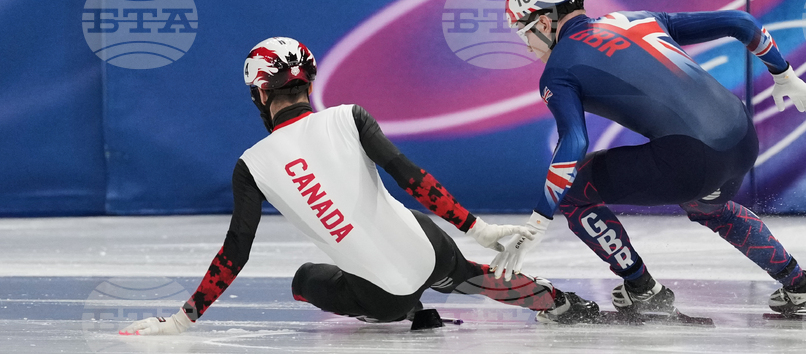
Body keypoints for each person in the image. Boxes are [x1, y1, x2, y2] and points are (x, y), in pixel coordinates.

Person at [120, 37, 600, 336]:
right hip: (432, 246)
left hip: (384, 296)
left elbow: (235, 253)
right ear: (308, 81)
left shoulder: (252, 164)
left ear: (260, 94)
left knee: (305, 279)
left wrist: (183, 319)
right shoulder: (349, 115)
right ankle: (555, 301)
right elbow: (412, 178)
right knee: (451, 263)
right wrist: (478, 228)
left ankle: (405, 310)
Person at [493, 0, 806, 320]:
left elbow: (573, 141)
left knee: (573, 189)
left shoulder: (558, 71)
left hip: (691, 159)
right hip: (742, 139)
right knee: (708, 205)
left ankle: (644, 291)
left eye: (525, 32)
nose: (528, 45)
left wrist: (538, 220)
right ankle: (801, 287)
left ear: (546, 22)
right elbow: (741, 22)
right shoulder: (639, 19)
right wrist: (784, 74)